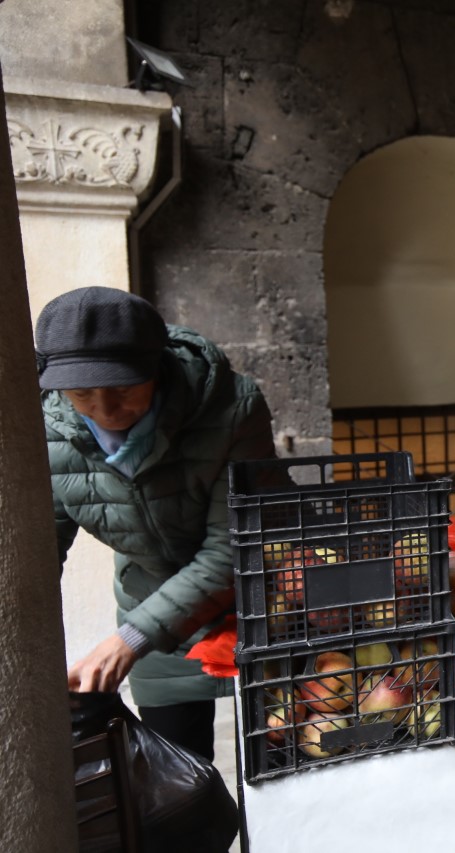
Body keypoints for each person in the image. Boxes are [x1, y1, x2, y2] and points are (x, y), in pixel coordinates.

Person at [37, 286, 276, 761]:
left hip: (263, 605)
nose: (105, 411)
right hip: (153, 615)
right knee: (180, 776)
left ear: (157, 366)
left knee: (276, 758)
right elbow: (38, 549)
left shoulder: (231, 408)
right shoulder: (49, 429)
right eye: (82, 394)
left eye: (124, 390)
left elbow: (232, 548)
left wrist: (128, 640)